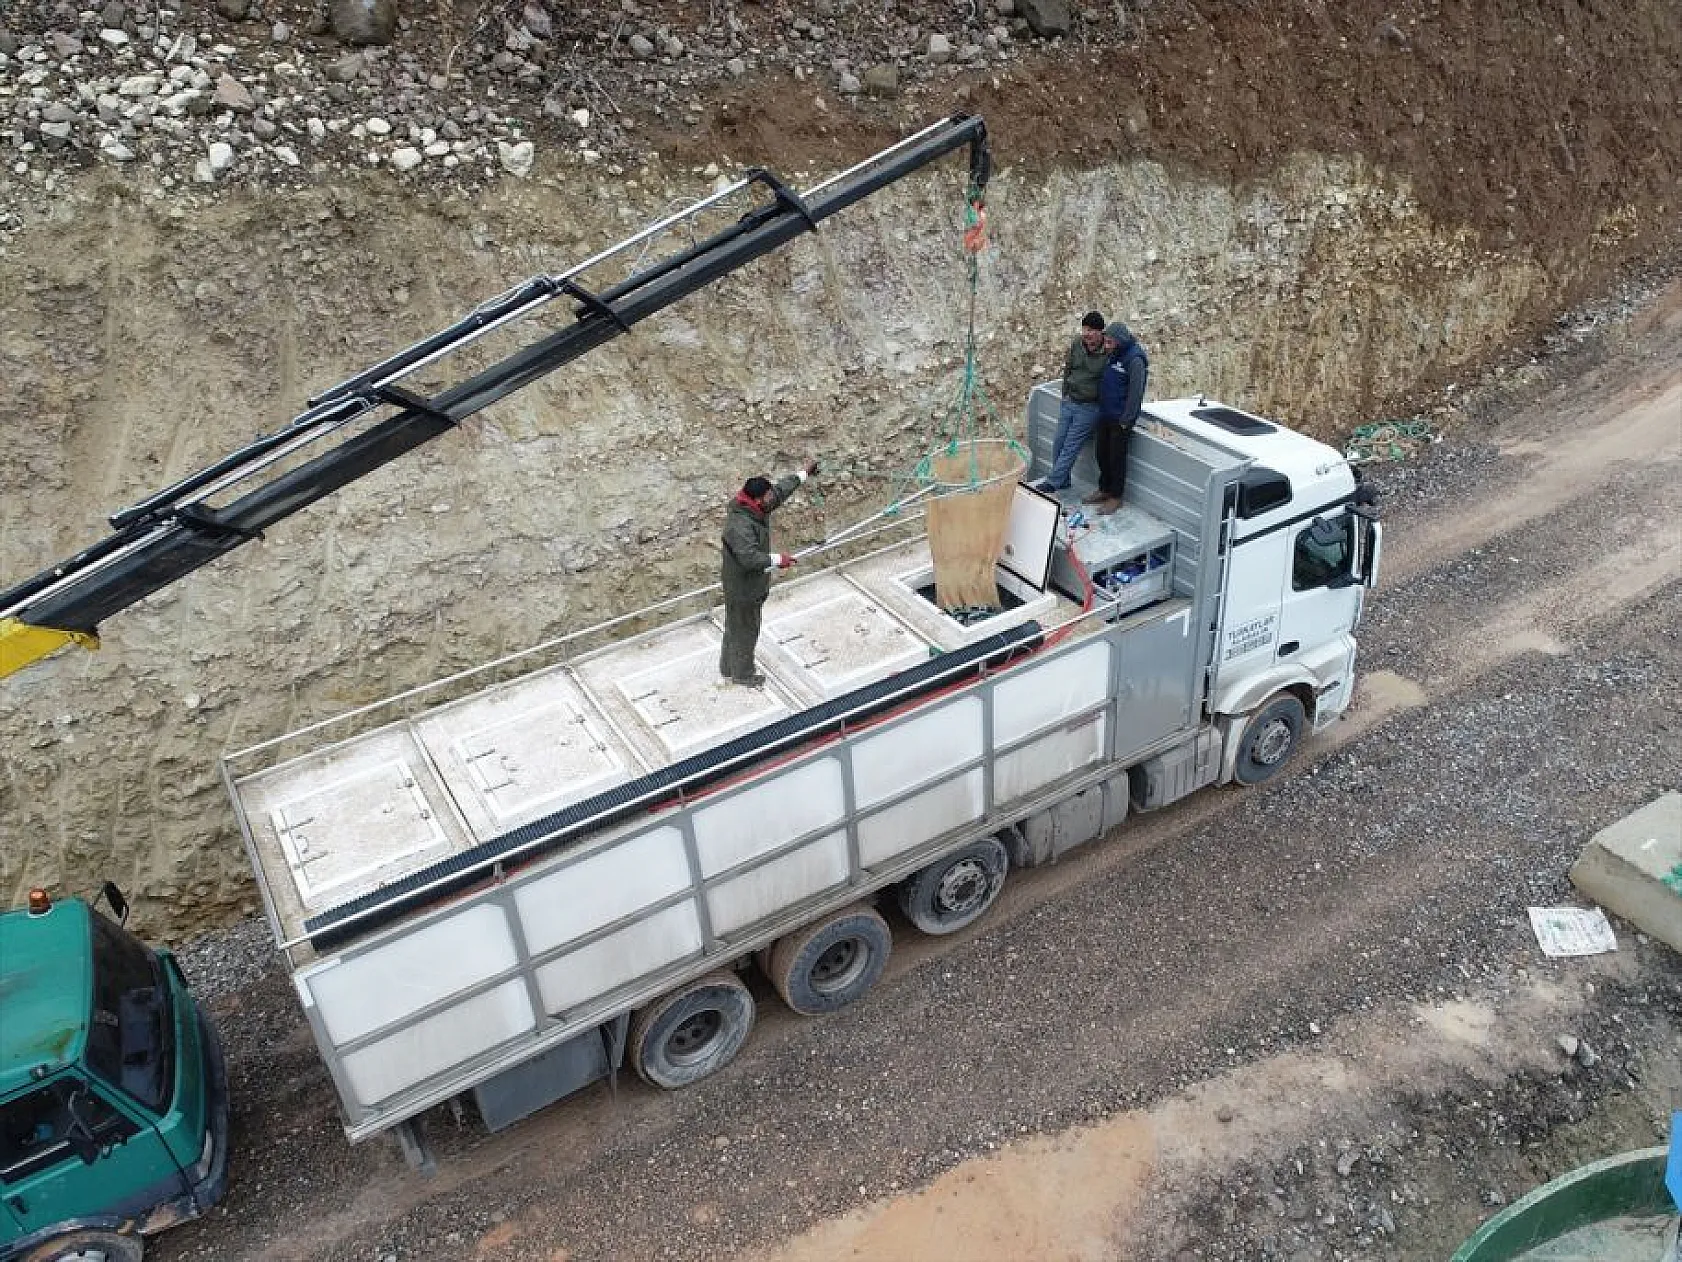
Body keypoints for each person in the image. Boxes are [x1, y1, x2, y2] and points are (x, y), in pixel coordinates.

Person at [719, 460, 818, 686]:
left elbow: (779, 492)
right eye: (768, 496)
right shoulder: (740, 525)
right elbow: (749, 558)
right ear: (756, 499)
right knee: (746, 630)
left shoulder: (754, 508)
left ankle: (728, 667)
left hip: (747, 584)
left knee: (735, 626)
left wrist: (803, 474)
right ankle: (742, 675)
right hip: (744, 588)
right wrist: (778, 560)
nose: (772, 498)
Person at [1038, 310, 1109, 493]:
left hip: (1089, 407)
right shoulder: (1077, 344)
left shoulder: (1107, 351)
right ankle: (1063, 480)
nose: (1086, 334)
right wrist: (1065, 394)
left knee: (1070, 446)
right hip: (1070, 401)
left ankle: (1053, 482)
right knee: (1059, 442)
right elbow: (1068, 368)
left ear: (1100, 332)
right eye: (1084, 329)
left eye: (1091, 330)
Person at [1088, 321, 1149, 515]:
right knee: (1101, 454)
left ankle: (1115, 497)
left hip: (1120, 420)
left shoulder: (1135, 360)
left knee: (1116, 459)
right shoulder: (1114, 353)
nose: (1106, 345)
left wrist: (1126, 420)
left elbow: (1135, 393)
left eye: (1109, 342)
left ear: (1119, 341)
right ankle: (1104, 489)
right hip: (1105, 414)